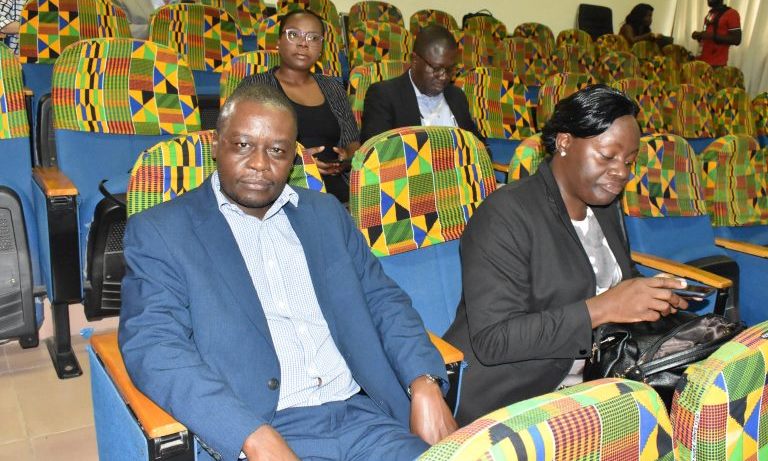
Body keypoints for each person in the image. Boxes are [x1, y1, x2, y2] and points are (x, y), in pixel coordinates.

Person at [118, 83, 457, 461]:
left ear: (293, 157)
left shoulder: (326, 215)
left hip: (365, 418)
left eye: (277, 150)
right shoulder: (163, 231)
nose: (260, 164)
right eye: (243, 145)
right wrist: (249, 433)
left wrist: (424, 382)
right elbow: (155, 346)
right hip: (266, 426)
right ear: (217, 144)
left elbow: (384, 301)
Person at [443, 85, 689, 426]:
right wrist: (606, 307)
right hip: (512, 394)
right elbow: (493, 340)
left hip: (594, 379)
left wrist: (649, 295)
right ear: (564, 142)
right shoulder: (506, 214)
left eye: (630, 161)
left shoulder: (604, 205)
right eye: (607, 156)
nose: (622, 172)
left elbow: (615, 279)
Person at [238, 10, 359, 203]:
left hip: (338, 193)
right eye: (294, 34)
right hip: (280, 190)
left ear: (321, 48)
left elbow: (353, 142)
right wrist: (298, 160)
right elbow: (242, 146)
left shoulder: (333, 87)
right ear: (278, 41)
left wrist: (346, 159)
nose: (303, 43)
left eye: (313, 37)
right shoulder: (256, 86)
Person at [360, 24, 482, 143]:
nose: (444, 77)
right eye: (436, 68)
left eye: (450, 69)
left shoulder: (456, 96)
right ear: (414, 60)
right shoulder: (384, 95)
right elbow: (375, 154)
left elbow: (480, 146)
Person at [692, 0, 741, 67]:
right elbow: (708, 35)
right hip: (701, 62)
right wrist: (700, 36)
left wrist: (711, 36)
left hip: (716, 65)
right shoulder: (710, 13)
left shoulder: (732, 13)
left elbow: (737, 39)